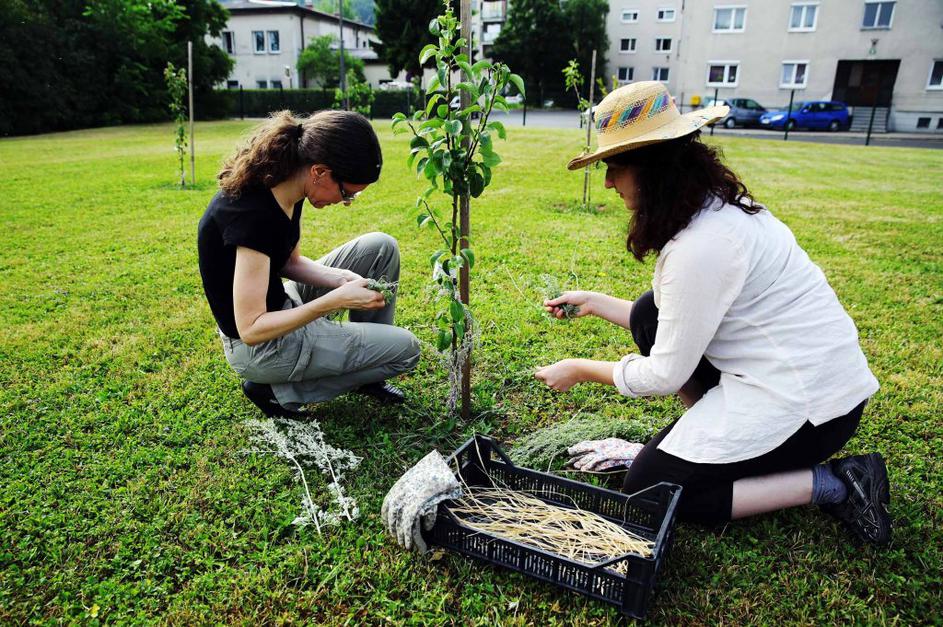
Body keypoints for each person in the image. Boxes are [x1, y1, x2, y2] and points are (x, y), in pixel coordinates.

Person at [534, 82, 891, 545]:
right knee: (648, 312)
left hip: (811, 410)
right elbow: (673, 322)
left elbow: (664, 374)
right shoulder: (715, 211)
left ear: (652, 168)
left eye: (614, 167)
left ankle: (840, 483)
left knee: (651, 488)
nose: (606, 182)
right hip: (793, 376)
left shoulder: (702, 247)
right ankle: (709, 428)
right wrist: (596, 304)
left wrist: (578, 369)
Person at [198, 110, 420, 417]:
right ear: (319, 172)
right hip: (260, 347)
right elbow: (250, 328)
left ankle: (369, 374)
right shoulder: (253, 217)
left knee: (381, 247)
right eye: (346, 193)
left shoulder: (285, 182)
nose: (345, 203)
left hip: (281, 304)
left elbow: (290, 262)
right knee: (406, 350)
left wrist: (341, 278)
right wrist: (332, 301)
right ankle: (276, 390)